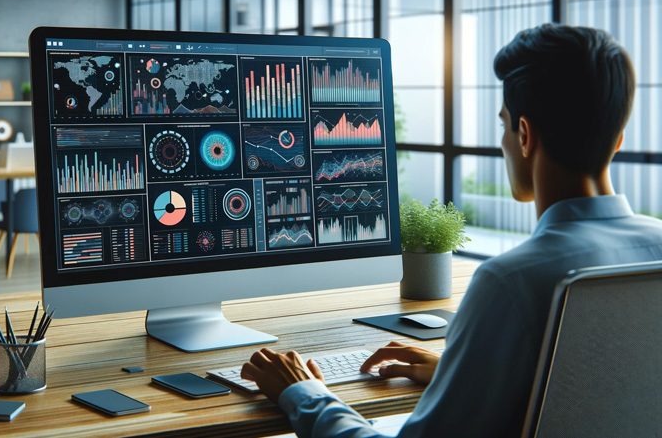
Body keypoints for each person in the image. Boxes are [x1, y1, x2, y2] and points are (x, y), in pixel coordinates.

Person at [241, 23, 662, 437]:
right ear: (618, 138)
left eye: (503, 125)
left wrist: (303, 393)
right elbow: (598, 383)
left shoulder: (511, 282)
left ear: (525, 134)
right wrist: (462, 373)